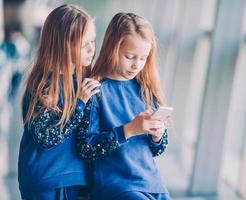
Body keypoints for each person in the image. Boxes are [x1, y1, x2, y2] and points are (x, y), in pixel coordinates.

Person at [77, 12, 171, 200]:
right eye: (130, 56)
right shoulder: (96, 90)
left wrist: (157, 137)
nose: (136, 64)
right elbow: (86, 147)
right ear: (113, 49)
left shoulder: (146, 89)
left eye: (143, 58)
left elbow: (157, 149)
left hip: (151, 182)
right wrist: (128, 130)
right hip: (116, 185)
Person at [18, 4, 100, 200]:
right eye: (84, 44)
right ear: (63, 44)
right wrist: (79, 103)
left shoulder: (84, 83)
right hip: (45, 181)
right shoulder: (43, 85)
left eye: (93, 41)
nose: (92, 49)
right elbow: (47, 138)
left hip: (79, 180)